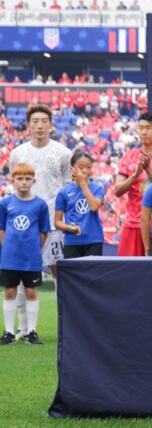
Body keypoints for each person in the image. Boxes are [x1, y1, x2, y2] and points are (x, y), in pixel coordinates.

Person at [9, 104, 71, 340]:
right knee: (22, 273)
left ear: (51, 124)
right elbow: (16, 185)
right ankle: (24, 328)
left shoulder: (63, 153)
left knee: (58, 272)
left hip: (54, 222)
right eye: (35, 121)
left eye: (44, 121)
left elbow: (68, 189)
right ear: (28, 124)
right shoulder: (18, 153)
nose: (39, 125)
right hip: (25, 224)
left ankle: (65, 326)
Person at [0, 164, 50, 345]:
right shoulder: (5, 203)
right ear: (12, 181)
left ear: (33, 181)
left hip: (31, 258)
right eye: (20, 179)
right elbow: (1, 228)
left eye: (28, 179)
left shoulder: (40, 205)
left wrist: (34, 249)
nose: (24, 182)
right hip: (10, 258)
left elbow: (43, 232)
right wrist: (7, 247)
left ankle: (31, 332)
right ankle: (9, 333)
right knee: (9, 291)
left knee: (31, 292)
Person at [115, 112, 152, 256]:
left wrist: (148, 169)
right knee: (128, 268)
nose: (143, 132)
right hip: (132, 224)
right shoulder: (128, 157)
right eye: (141, 128)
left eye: (148, 128)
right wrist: (135, 175)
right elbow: (117, 191)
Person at [54, 151, 104, 258]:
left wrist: (83, 184)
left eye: (88, 167)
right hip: (71, 242)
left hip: (94, 241)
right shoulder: (64, 192)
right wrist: (70, 228)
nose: (85, 171)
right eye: (81, 167)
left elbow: (94, 207)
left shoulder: (98, 189)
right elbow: (57, 222)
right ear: (71, 169)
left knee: (93, 269)